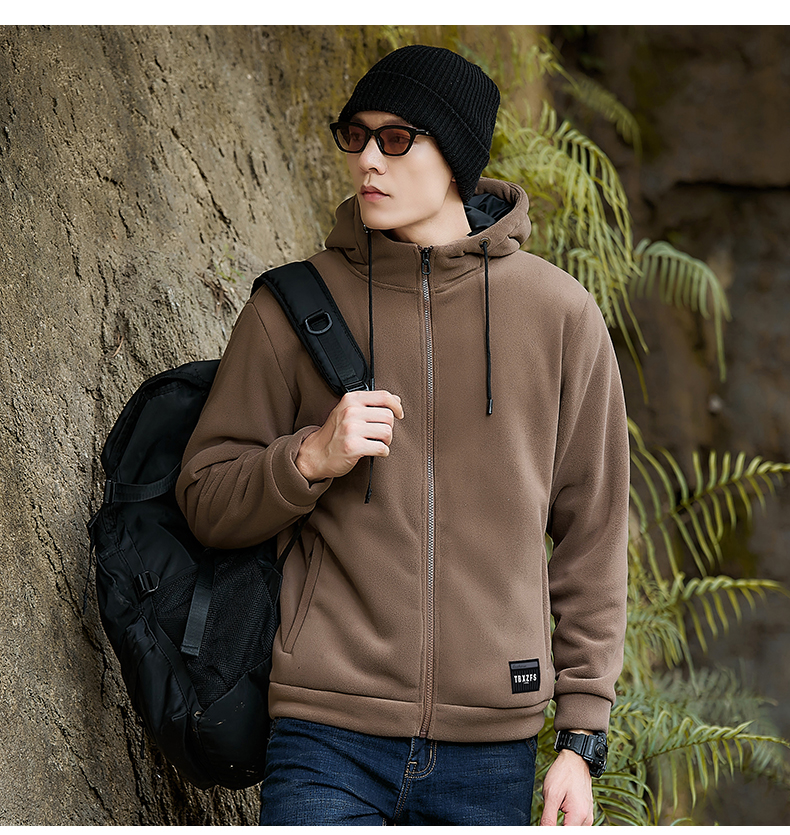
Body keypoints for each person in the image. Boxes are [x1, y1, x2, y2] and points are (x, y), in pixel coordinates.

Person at [176, 44, 629, 826]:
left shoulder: (559, 317)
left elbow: (594, 533)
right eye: (356, 136)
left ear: (454, 155)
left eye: (395, 139)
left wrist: (581, 738)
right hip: (327, 733)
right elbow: (204, 496)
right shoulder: (293, 309)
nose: (367, 161)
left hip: (492, 750)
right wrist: (309, 457)